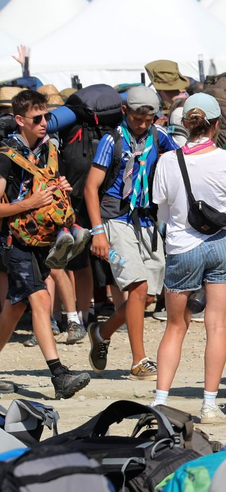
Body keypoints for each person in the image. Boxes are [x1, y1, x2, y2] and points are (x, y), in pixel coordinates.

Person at [150, 94, 226, 419]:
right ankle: (209, 403)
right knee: (217, 325)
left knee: (175, 326)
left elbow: (162, 213)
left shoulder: (166, 161)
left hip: (182, 246)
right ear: (217, 124)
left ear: (184, 124)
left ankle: (160, 400)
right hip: (221, 243)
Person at [0, 89, 90, 398]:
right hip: (14, 242)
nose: (43, 124)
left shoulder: (46, 151)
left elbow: (47, 189)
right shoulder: (6, 156)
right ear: (19, 120)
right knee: (39, 299)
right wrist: (30, 202)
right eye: (37, 119)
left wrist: (59, 187)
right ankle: (59, 376)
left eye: (46, 118)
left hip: (41, 240)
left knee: (15, 307)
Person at [86, 85, 179, 380]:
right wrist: (98, 231)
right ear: (125, 111)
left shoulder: (158, 137)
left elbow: (181, 164)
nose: (141, 124)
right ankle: (139, 360)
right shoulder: (110, 140)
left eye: (147, 119)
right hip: (115, 219)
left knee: (148, 296)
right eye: (137, 118)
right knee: (137, 287)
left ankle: (101, 332)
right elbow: (90, 188)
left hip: (147, 220)